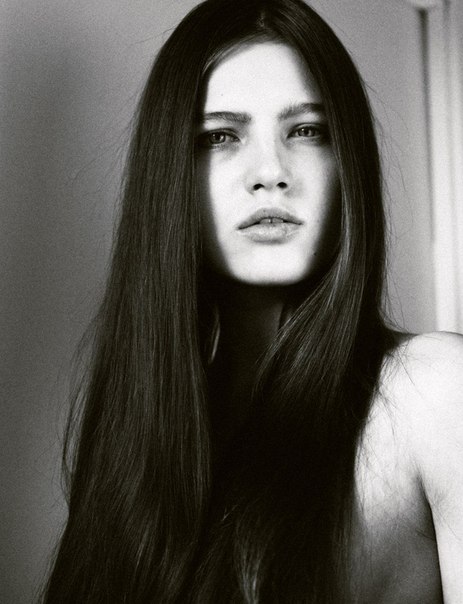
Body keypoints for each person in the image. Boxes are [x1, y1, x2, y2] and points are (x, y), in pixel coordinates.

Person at [42, 0, 463, 602]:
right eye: (220, 136)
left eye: (307, 131)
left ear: (348, 162)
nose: (270, 173)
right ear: (170, 174)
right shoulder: (141, 425)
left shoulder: (439, 391)